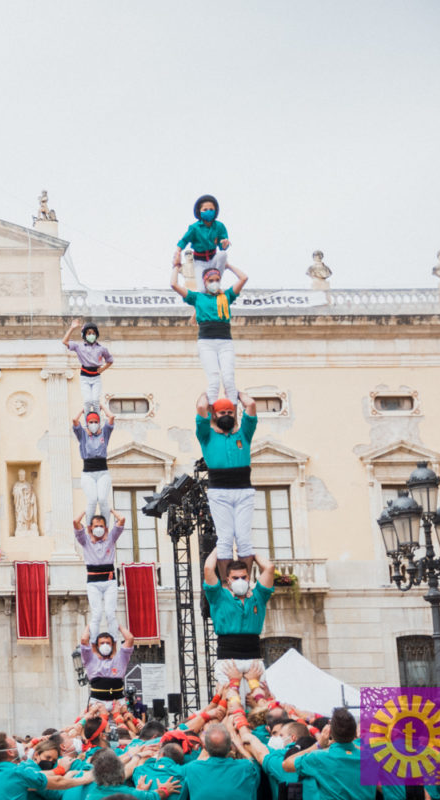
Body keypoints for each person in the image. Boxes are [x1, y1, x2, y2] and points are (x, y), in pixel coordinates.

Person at [170, 259, 248, 406]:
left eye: (217, 280)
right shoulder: (198, 297)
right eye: (211, 280)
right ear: (204, 282)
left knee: (229, 379)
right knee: (214, 380)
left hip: (225, 341)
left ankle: (233, 419)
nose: (214, 282)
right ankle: (213, 420)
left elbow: (244, 278)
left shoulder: (226, 296)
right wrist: (176, 267)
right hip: (206, 342)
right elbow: (174, 284)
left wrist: (228, 265)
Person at [195, 392, 258, 569]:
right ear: (214, 414)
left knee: (244, 539)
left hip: (244, 490)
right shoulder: (207, 436)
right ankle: (225, 584)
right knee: (225, 538)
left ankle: (244, 581)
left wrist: (235, 392)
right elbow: (201, 407)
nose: (227, 416)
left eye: (230, 412)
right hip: (219, 491)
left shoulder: (243, 434)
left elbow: (251, 404)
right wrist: (210, 392)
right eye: (222, 412)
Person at [203, 549, 275, 693]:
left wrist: (251, 552)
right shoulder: (219, 596)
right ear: (228, 579)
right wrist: (221, 546)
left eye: (243, 577)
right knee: (232, 705)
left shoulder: (258, 596)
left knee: (257, 706)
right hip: (228, 660)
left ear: (249, 578)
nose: (240, 581)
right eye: (235, 578)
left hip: (254, 658)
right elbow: (208, 568)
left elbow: (269, 568)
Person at [281, 708, 372, 800]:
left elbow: (286, 764)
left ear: (329, 732)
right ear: (354, 732)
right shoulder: (371, 759)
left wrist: (319, 744)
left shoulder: (319, 757)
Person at [0, 732, 83, 799]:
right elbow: (56, 789)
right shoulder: (19, 772)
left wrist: (58, 771)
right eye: (15, 744)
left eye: (53, 760)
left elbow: (38, 775)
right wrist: (85, 777)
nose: (20, 747)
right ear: (10, 752)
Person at [73, 510, 127, 640]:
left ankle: (113, 640)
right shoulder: (85, 540)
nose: (98, 529)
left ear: (106, 528)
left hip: (109, 582)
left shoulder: (111, 538)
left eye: (101, 526)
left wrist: (111, 511)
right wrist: (86, 511)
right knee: (96, 614)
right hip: (93, 583)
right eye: (96, 526)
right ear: (90, 527)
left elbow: (122, 519)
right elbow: (75, 522)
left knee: (110, 613)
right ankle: (93, 642)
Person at [181, 723, 260, 800]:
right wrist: (240, 746)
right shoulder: (246, 767)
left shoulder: (191, 768)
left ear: (204, 747)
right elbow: (255, 763)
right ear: (231, 746)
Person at [172, 194, 231, 287]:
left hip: (213, 259)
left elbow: (223, 246)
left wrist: (224, 244)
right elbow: (184, 240)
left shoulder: (219, 226)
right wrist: (178, 252)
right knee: (202, 289)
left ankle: (216, 280)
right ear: (199, 212)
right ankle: (206, 287)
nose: (208, 212)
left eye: (211, 210)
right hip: (200, 262)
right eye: (205, 210)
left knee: (223, 254)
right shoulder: (194, 228)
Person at [62, 319, 114, 414]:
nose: (91, 335)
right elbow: (64, 341)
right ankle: (87, 424)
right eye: (89, 333)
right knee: (87, 401)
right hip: (85, 377)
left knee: (95, 401)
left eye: (93, 333)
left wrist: (102, 369)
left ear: (96, 335)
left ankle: (97, 423)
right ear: (84, 335)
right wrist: (72, 328)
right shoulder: (79, 347)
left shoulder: (101, 349)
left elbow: (110, 361)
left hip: (96, 377)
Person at [73, 407, 116, 518]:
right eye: (91, 422)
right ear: (87, 424)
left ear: (99, 423)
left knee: (102, 499)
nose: (93, 424)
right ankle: (89, 526)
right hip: (88, 472)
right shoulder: (83, 434)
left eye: (96, 422)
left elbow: (111, 417)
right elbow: (74, 420)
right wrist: (83, 410)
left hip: (102, 471)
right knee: (91, 500)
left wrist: (101, 407)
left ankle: (105, 525)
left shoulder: (104, 433)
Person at [79, 624, 134, 705]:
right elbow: (84, 640)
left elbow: (130, 639)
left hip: (118, 703)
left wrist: (118, 626)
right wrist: (89, 626)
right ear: (97, 646)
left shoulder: (121, 658)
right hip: (97, 703)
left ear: (112, 645)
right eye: (102, 643)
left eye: (108, 643)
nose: (105, 645)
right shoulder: (90, 658)